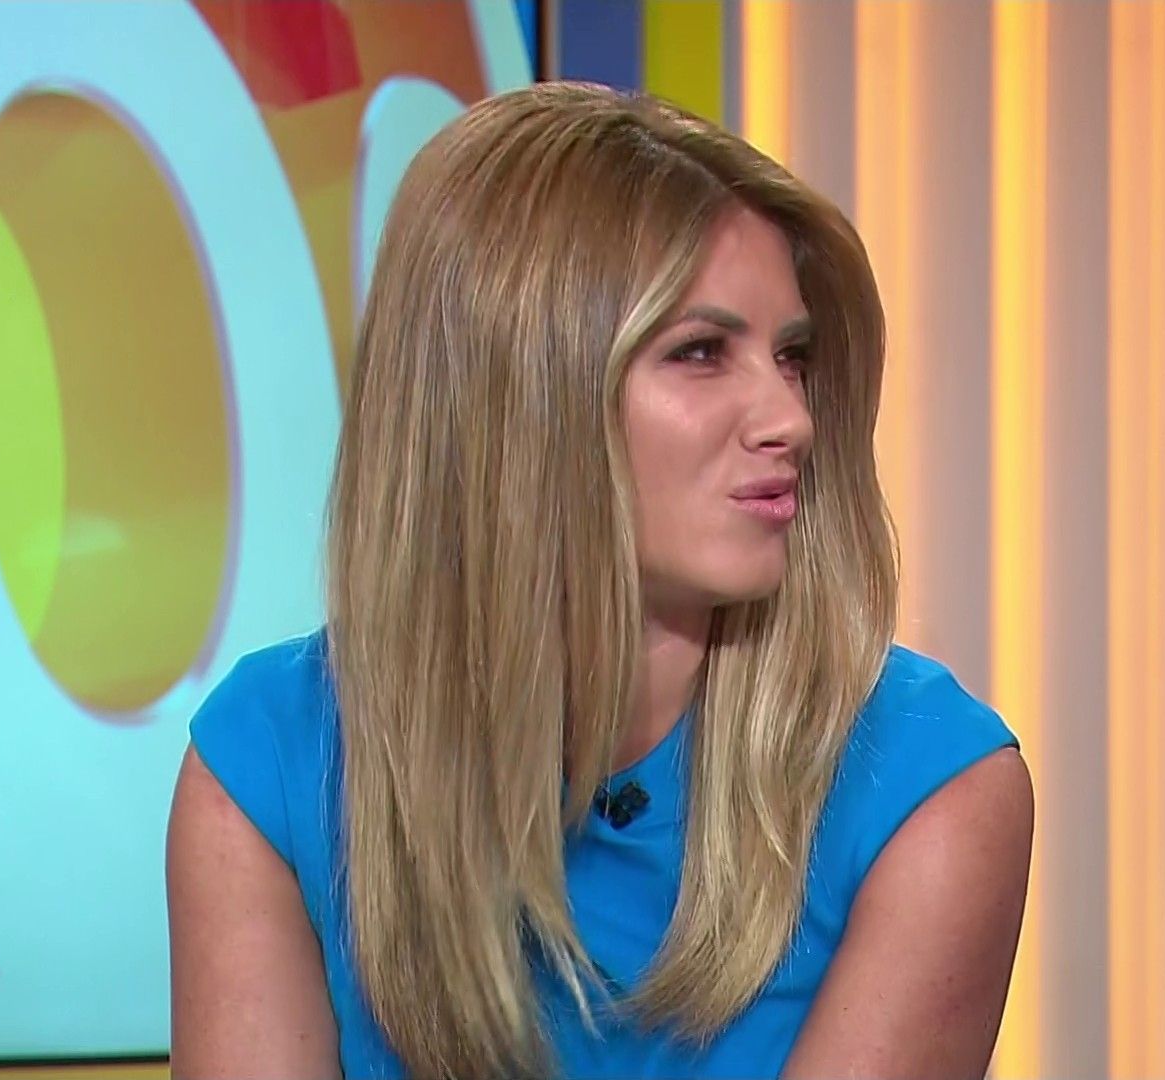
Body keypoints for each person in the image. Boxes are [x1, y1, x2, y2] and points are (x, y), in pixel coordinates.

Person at [165, 80, 1032, 1080]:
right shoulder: (273, 764)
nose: (790, 420)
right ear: (519, 398)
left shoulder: (925, 790)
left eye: (791, 357)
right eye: (701, 352)